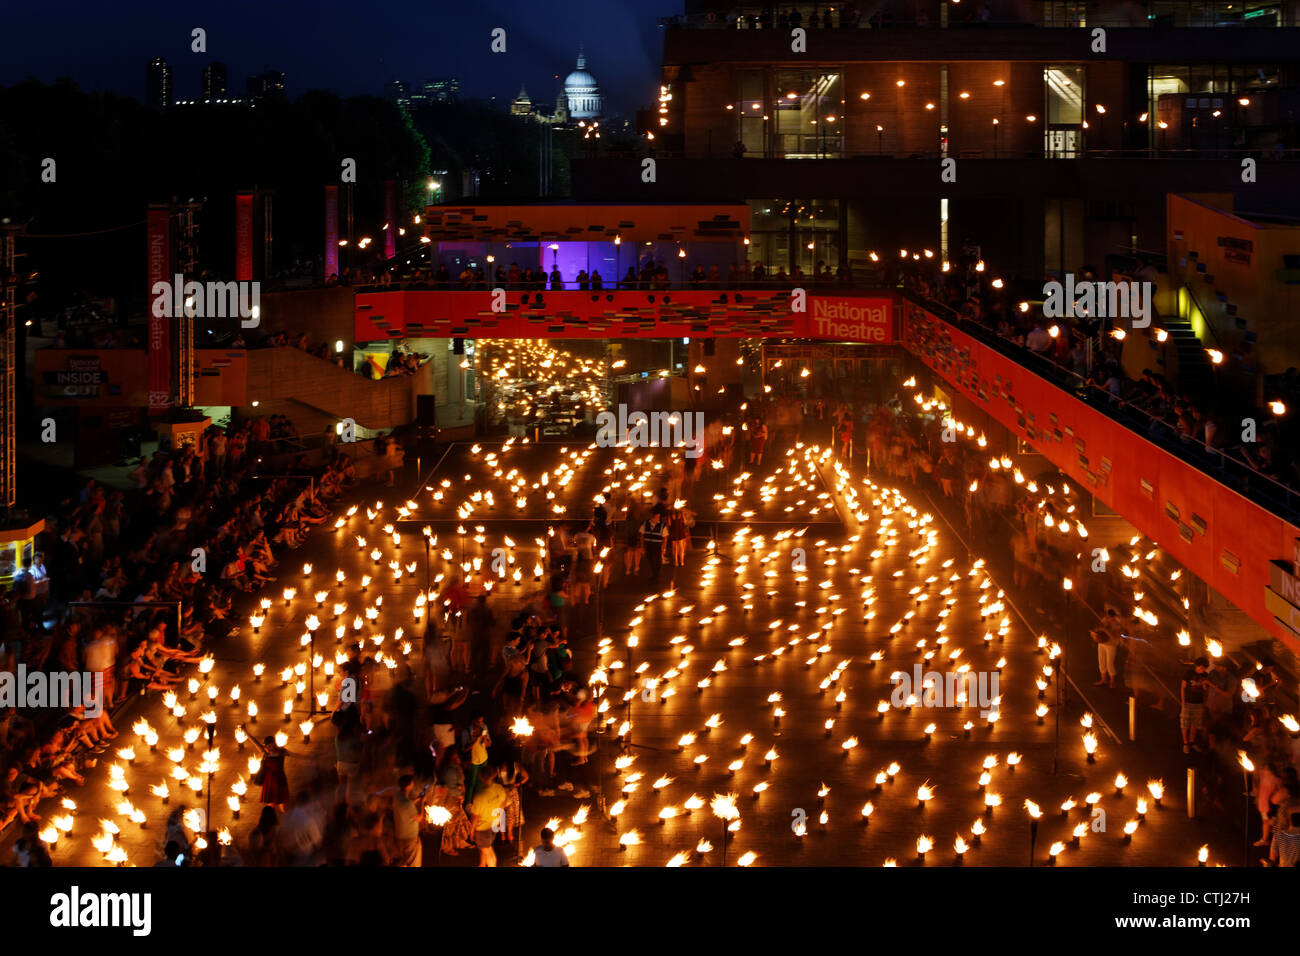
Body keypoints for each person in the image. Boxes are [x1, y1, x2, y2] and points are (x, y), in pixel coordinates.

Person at [468, 765, 508, 867]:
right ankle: (481, 865)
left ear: (480, 777)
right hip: (494, 825)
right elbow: (504, 803)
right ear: (493, 775)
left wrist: (471, 831)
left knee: (488, 853)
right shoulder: (499, 788)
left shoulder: (480, 796)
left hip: (483, 828)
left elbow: (475, 817)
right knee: (485, 848)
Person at [391, 774, 426, 867]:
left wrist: (416, 800)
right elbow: (419, 818)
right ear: (409, 785)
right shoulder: (408, 803)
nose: (413, 784)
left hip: (399, 835)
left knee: (402, 863)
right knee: (412, 863)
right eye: (412, 782)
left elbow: (405, 808)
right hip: (410, 838)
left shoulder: (397, 796)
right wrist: (422, 803)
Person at [1180, 657, 1209, 754]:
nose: (1203, 670)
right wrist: (1183, 701)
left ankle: (1192, 742)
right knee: (1185, 723)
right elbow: (1183, 687)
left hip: (1199, 703)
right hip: (1188, 702)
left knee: (1195, 724)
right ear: (1197, 666)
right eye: (1202, 667)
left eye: (1204, 668)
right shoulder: (1189, 673)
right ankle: (1185, 743)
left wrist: (1204, 703)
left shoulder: (1206, 675)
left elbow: (1206, 690)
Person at [1091, 608, 1122, 688]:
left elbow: (1114, 638)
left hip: (1111, 645)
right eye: (1107, 616)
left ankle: (1112, 682)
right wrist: (1095, 634)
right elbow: (1099, 627)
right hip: (1102, 643)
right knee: (1101, 661)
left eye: (1109, 617)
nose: (1107, 618)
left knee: (1109, 663)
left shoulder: (1117, 625)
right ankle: (1104, 679)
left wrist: (1105, 630)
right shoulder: (1105, 620)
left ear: (1113, 617)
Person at [641, 511, 667, 587]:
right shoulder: (645, 524)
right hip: (648, 545)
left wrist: (663, 548)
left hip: (657, 546)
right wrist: (642, 547)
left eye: (659, 517)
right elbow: (642, 536)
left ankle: (657, 576)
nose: (659, 519)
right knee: (650, 560)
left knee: (657, 561)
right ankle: (654, 575)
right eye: (657, 517)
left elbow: (665, 538)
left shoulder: (662, 525)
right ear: (652, 517)